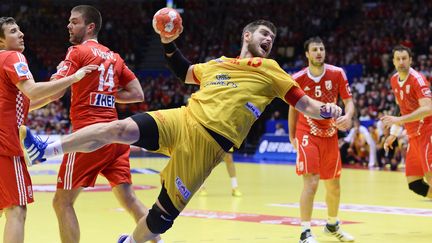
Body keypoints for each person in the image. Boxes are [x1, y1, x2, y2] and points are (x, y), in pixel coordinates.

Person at [21, 19, 343, 243]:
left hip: (207, 146)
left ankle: (130, 241)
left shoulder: (272, 71)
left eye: (272, 37)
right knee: (120, 128)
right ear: (247, 36)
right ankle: (45, 148)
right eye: (263, 33)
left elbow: (309, 106)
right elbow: (184, 71)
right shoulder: (218, 63)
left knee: (162, 217)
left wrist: (331, 110)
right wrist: (168, 42)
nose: (269, 39)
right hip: (183, 118)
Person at [39, 6, 161, 243]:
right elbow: (138, 94)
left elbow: (55, 93)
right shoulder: (114, 57)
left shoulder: (77, 52)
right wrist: (108, 94)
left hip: (89, 138)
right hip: (116, 138)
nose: (69, 26)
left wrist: (33, 95)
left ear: (90, 26)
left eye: (74, 22)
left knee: (62, 202)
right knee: (129, 199)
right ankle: (158, 242)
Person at [0, 17, 96, 243]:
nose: (21, 34)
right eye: (13, 31)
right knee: (16, 209)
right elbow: (32, 91)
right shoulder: (13, 56)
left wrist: (54, 91)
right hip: (5, 145)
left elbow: (25, 102)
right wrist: (74, 77)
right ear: (1, 41)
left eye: (20, 29)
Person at [288, 37, 355, 243]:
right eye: (315, 49)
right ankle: (305, 232)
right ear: (307, 54)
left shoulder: (337, 73)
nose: (319, 52)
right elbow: (293, 107)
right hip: (307, 132)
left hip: (330, 134)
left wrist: (348, 117)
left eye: (322, 49)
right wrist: (292, 136)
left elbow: (348, 101)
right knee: (312, 182)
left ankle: (332, 225)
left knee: (334, 185)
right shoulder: (298, 77)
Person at [381, 45, 432, 199]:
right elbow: (400, 107)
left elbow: (428, 108)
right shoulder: (394, 80)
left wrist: (400, 120)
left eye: (404, 58)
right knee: (414, 183)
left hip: (427, 132)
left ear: (410, 60)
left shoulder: (418, 80)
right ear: (394, 62)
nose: (401, 62)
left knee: (430, 178)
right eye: (398, 59)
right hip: (413, 136)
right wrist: (393, 134)